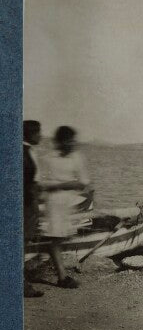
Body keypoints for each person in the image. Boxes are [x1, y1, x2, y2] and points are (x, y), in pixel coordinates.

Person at [40, 125, 92, 289]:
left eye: (73, 141)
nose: (71, 144)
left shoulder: (77, 158)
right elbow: (41, 183)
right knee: (56, 237)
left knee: (61, 237)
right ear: (60, 141)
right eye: (68, 141)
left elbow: (84, 181)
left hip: (68, 202)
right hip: (54, 201)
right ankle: (62, 277)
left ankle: (48, 259)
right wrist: (67, 184)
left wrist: (65, 185)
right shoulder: (48, 158)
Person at [23, 120, 44, 297]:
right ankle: (21, 284)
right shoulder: (24, 153)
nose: (41, 135)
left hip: (30, 201)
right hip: (27, 203)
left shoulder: (27, 151)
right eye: (38, 132)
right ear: (29, 134)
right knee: (21, 242)